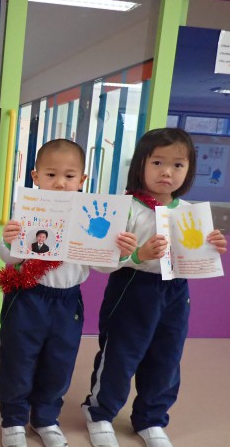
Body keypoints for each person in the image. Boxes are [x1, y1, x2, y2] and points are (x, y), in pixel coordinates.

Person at [81, 128, 227, 447]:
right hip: (133, 288)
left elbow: (193, 255)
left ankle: (151, 418)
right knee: (120, 353)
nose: (167, 172)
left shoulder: (189, 212)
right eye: (158, 162)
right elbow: (102, 261)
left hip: (175, 292)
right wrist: (137, 255)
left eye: (178, 165)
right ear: (141, 165)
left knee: (167, 356)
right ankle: (100, 413)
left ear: (189, 170)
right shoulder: (126, 208)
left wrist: (210, 246)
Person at [0, 139, 137, 447]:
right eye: (51, 174)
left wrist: (120, 253)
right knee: (18, 359)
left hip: (67, 302)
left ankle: (45, 418)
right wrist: (8, 241)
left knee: (59, 363)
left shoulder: (90, 216)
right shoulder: (27, 209)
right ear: (35, 176)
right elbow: (10, 257)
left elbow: (102, 267)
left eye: (69, 176)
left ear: (82, 180)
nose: (60, 183)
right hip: (28, 296)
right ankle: (13, 418)